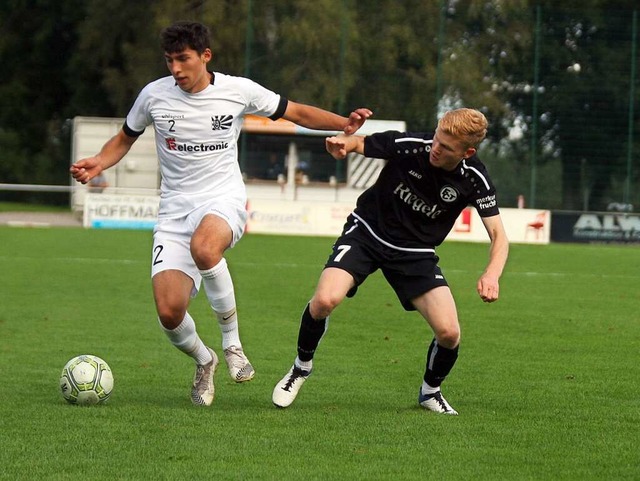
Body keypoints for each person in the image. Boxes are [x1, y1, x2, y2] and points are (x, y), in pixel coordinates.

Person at [70, 21, 372, 407]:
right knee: (169, 312)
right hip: (174, 210)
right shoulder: (153, 96)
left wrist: (343, 124)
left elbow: (294, 111)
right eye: (169, 60)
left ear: (205, 56)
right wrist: (99, 161)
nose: (176, 69)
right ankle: (205, 359)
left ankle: (232, 345)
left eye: (183, 59)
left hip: (222, 198)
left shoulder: (238, 90)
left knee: (206, 248)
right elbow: (125, 137)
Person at [272, 108, 509, 415]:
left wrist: (492, 274)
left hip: (415, 253)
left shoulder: (475, 179)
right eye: (437, 138)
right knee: (325, 300)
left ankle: (430, 392)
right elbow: (360, 143)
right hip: (367, 233)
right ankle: (300, 368)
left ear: (468, 152)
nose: (435, 148)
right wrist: (342, 144)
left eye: (447, 147)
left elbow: (499, 236)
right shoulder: (413, 144)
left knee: (449, 333)